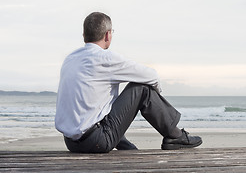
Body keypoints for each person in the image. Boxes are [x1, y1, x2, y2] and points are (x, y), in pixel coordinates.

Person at [55, 12, 202, 153]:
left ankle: (127, 147)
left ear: (84, 36)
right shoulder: (105, 58)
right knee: (141, 88)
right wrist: (153, 96)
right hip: (96, 142)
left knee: (103, 102)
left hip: (71, 143)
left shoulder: (70, 59)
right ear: (107, 35)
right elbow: (152, 76)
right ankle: (175, 135)